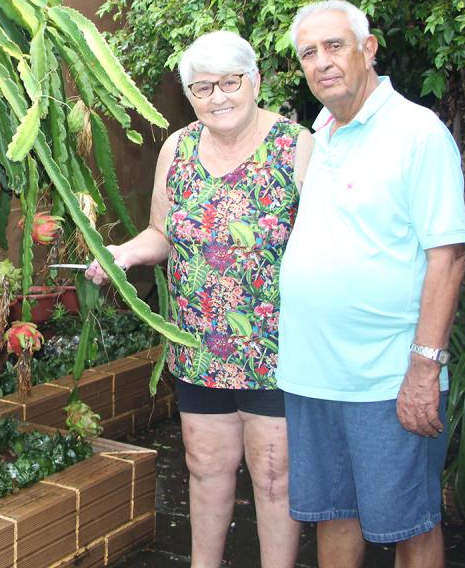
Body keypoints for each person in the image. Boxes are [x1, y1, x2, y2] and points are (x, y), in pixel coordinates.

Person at [86, 30, 313, 568]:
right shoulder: (178, 147)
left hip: (276, 348)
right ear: (189, 93)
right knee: (205, 465)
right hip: (199, 343)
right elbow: (162, 232)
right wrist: (123, 252)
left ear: (254, 80)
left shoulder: (296, 145)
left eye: (230, 82)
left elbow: (327, 239)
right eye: (202, 87)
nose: (218, 97)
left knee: (275, 474)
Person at [277, 0, 465, 568]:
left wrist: (424, 367)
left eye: (334, 46)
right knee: (332, 514)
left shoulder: (417, 133)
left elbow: (449, 258)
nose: (321, 62)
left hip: (386, 379)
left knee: (410, 523)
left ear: (369, 48)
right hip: (313, 375)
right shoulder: (321, 132)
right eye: (308, 53)